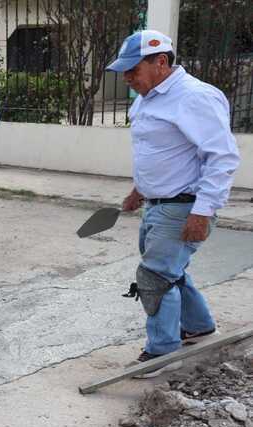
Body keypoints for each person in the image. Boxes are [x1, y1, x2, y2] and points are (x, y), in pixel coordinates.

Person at [107, 30, 240, 378]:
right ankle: (198, 326)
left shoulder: (194, 97)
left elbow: (222, 158)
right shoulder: (149, 97)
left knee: (154, 277)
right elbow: (158, 150)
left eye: (133, 70)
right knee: (168, 272)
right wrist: (140, 190)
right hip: (157, 203)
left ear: (160, 62)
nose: (127, 78)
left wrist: (203, 210)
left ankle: (162, 353)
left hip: (185, 205)